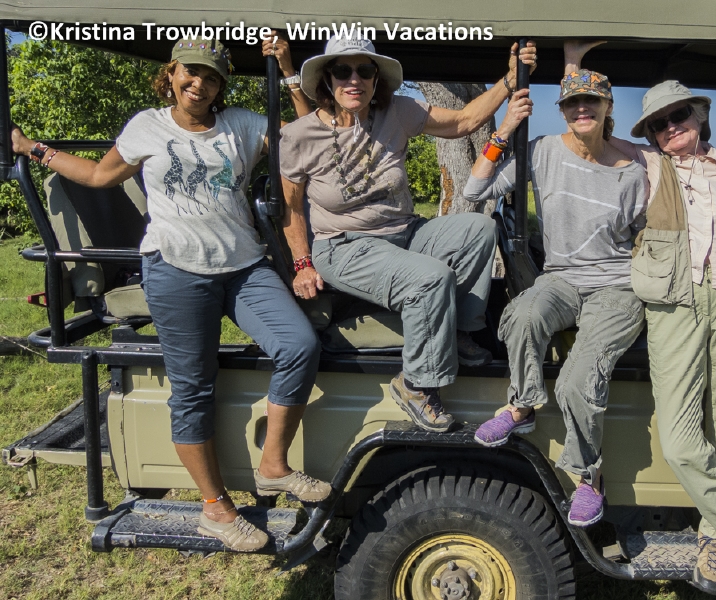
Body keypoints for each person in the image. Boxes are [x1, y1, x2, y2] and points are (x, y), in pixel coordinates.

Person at [11, 38, 330, 553]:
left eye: (211, 77)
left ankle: (273, 465)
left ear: (221, 86)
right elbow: (97, 175)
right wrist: (34, 149)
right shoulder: (147, 126)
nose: (198, 84)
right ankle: (215, 508)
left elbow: (306, 133)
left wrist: (288, 69)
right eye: (190, 73)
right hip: (175, 270)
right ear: (172, 74)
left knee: (298, 345)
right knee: (194, 389)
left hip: (244, 267)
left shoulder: (241, 124)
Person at [565, 41, 716, 594]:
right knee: (681, 438)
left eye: (678, 115)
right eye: (658, 124)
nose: (670, 127)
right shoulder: (648, 165)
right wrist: (574, 64)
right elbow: (588, 130)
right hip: (676, 305)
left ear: (699, 115)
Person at [279, 37, 535, 433]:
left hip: (405, 231)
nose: (354, 80)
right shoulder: (300, 134)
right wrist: (302, 263)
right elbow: (291, 208)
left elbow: (464, 121)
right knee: (430, 280)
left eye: (365, 70)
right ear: (327, 79)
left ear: (376, 79)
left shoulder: (397, 111)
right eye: (343, 70)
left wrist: (510, 79)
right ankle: (416, 384)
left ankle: (460, 332)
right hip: (345, 246)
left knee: (479, 228)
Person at [463, 43, 648, 529]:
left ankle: (589, 476)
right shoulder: (543, 150)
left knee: (576, 380)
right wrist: (504, 130)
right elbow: (474, 189)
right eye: (572, 103)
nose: (582, 109)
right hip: (562, 278)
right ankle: (522, 403)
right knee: (522, 314)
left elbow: (647, 236)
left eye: (591, 101)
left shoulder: (633, 172)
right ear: (563, 111)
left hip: (617, 287)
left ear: (608, 107)